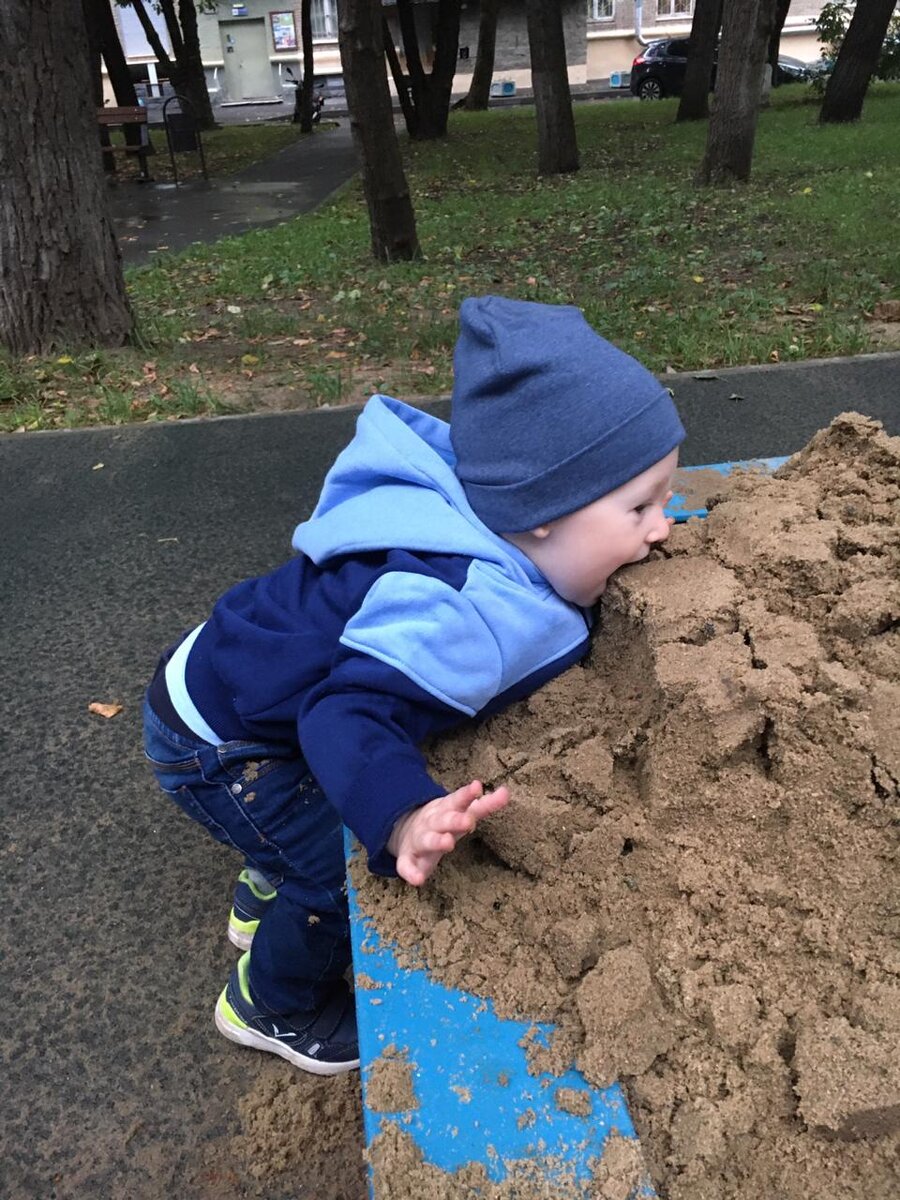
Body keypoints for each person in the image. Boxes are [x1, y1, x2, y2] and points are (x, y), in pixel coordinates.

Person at [142, 295, 685, 1076]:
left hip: (235, 674)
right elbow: (341, 713)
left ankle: (260, 889)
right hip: (221, 743)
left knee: (289, 820)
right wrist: (400, 817)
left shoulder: (495, 500)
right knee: (337, 865)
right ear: (541, 515)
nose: (662, 524)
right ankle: (271, 1005)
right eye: (641, 506)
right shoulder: (454, 608)